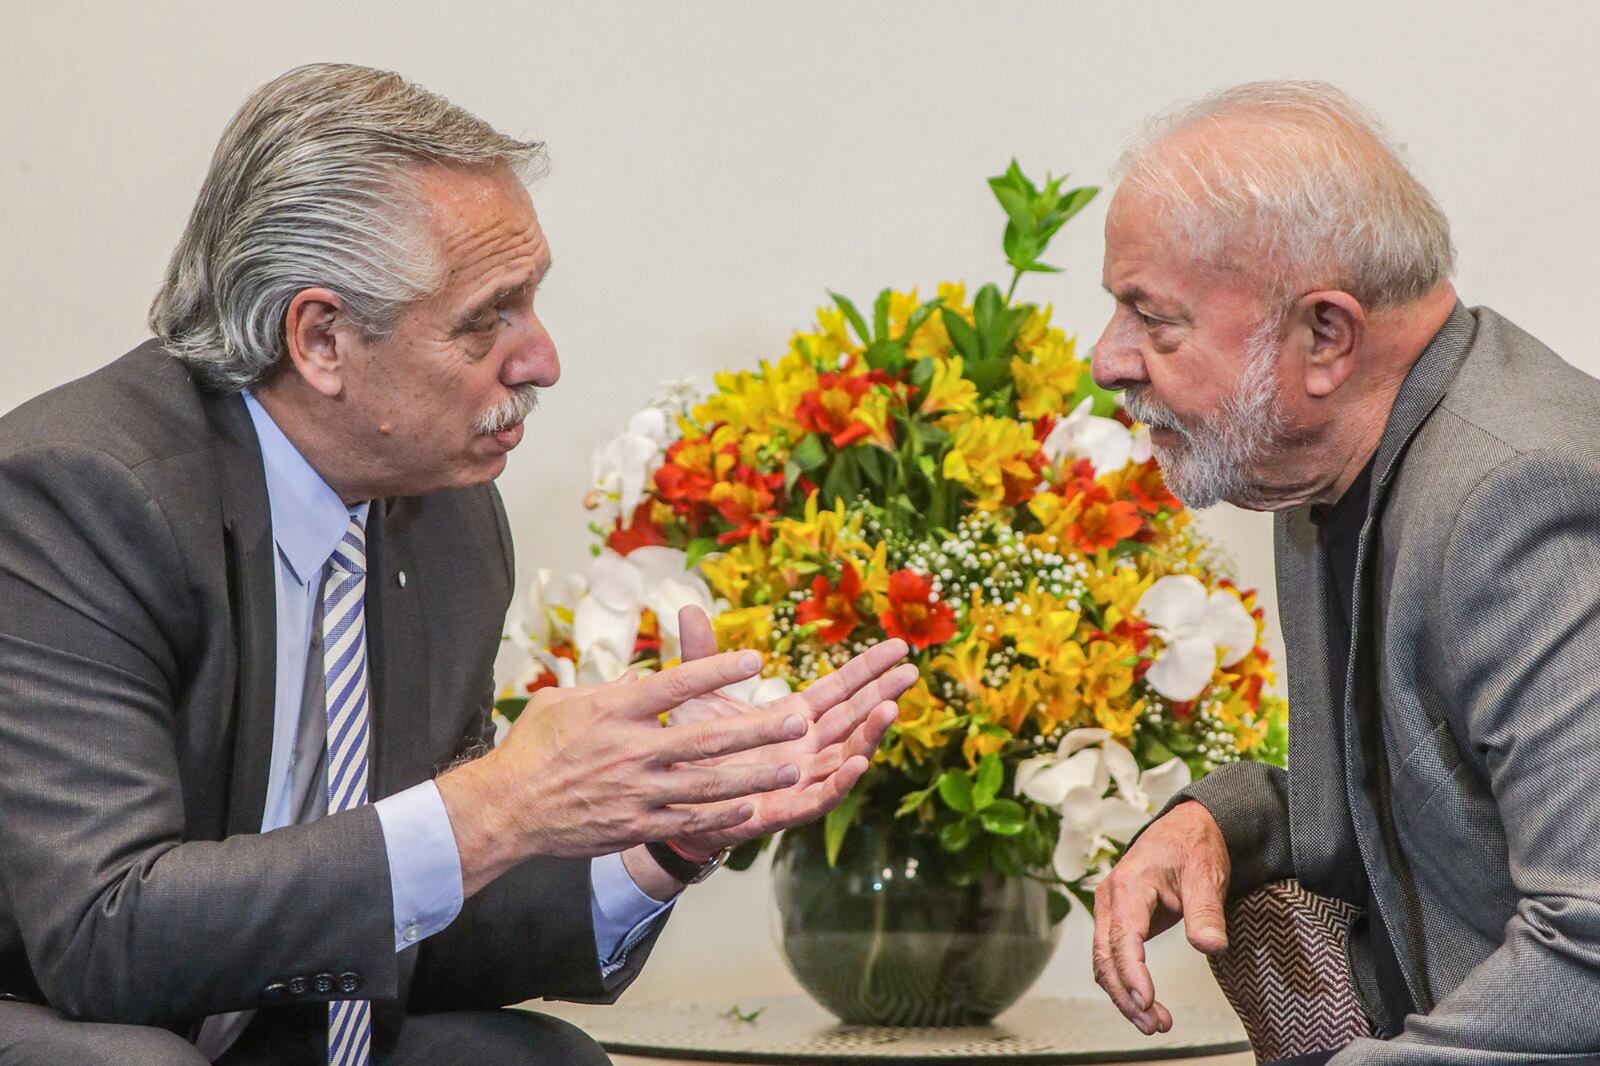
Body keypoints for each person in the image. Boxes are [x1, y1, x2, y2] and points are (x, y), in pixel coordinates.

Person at [0, 63, 917, 1065]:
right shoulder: (83, 497)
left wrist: (666, 834)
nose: (542, 360)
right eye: (488, 318)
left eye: (533, 303)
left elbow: (404, 916)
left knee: (534, 1060)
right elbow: (104, 933)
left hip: (262, 1028)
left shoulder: (450, 518)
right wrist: (495, 804)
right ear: (321, 339)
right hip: (58, 1018)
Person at [1086, 81, 1600, 1064]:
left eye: (1153, 320)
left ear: (1325, 336)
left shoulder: (1521, 496)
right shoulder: (1324, 461)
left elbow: (1590, 942)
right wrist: (1218, 820)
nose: (1107, 359)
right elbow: (1430, 809)